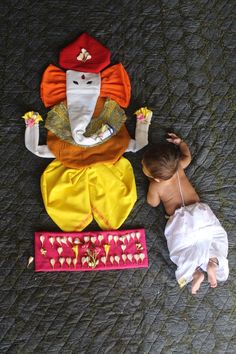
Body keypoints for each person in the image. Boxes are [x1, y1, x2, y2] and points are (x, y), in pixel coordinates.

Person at [142, 133, 229, 294]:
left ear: (157, 178)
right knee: (216, 237)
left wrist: (151, 186)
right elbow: (187, 156)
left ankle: (195, 272)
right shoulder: (179, 166)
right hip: (201, 213)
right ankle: (213, 261)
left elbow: (152, 202)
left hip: (179, 221)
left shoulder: (156, 185)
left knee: (181, 250)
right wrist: (180, 142)